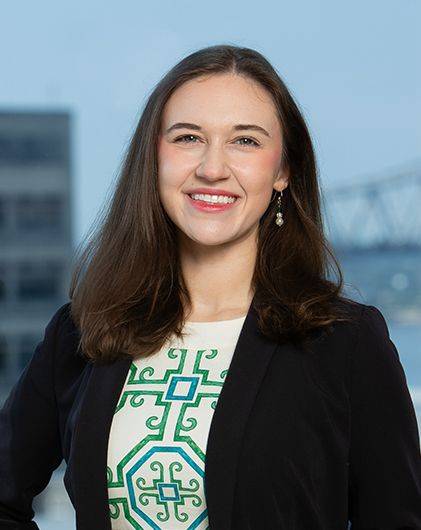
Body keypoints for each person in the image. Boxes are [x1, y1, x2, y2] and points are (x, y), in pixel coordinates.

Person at [1, 44, 420, 530]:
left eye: (245, 141)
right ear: (153, 157)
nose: (212, 168)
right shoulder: (82, 332)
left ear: (283, 170)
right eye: (187, 137)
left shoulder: (346, 342)